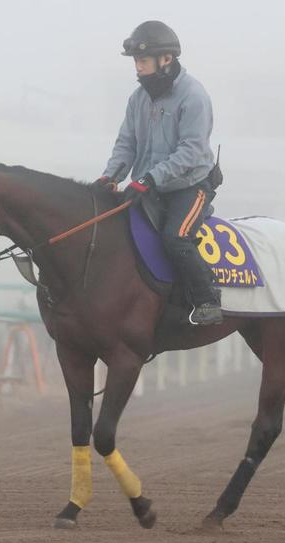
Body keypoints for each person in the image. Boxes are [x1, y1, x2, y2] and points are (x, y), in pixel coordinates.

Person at [92, 20, 222, 325]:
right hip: (147, 186)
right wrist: (109, 177)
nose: (137, 68)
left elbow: (190, 152)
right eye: (136, 61)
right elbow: (127, 144)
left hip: (191, 186)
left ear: (166, 59)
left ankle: (208, 300)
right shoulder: (137, 99)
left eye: (142, 61)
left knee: (175, 238)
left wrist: (149, 179)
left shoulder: (194, 96)